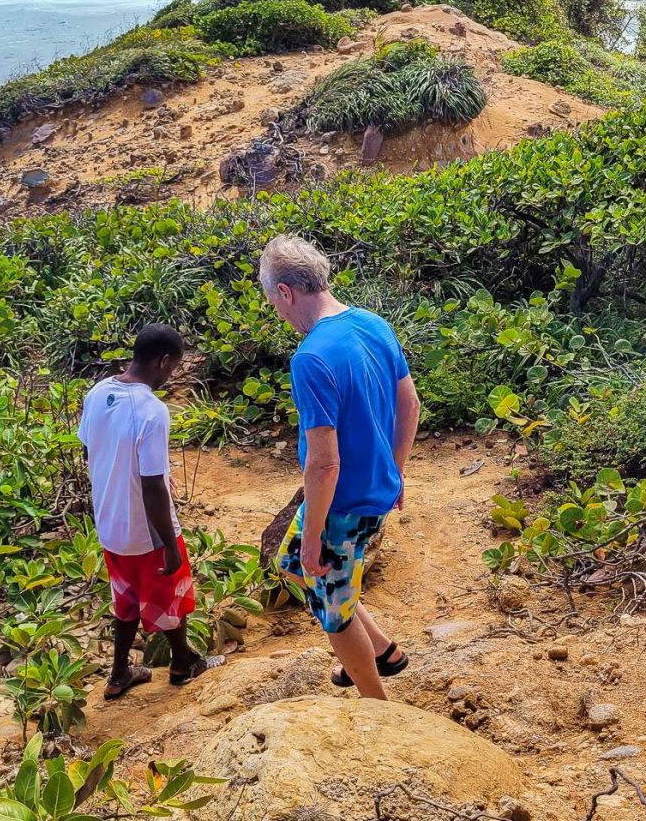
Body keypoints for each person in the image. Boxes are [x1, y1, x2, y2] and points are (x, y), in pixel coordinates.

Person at [260, 235, 421, 699]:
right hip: (376, 489)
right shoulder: (373, 323)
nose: (279, 313)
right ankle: (385, 652)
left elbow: (324, 463)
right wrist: (394, 471)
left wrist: (314, 538)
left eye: (275, 302)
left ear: (287, 292)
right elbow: (410, 404)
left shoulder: (310, 358)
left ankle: (378, 703)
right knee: (291, 565)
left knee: (334, 610)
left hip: (341, 504)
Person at [77, 323, 223, 699]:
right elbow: (153, 484)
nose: (169, 376)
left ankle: (119, 672)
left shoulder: (98, 393)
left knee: (124, 599)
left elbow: (88, 450)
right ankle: (182, 662)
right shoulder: (151, 411)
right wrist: (169, 542)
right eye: (172, 368)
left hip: (109, 524)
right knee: (171, 593)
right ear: (163, 361)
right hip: (146, 530)